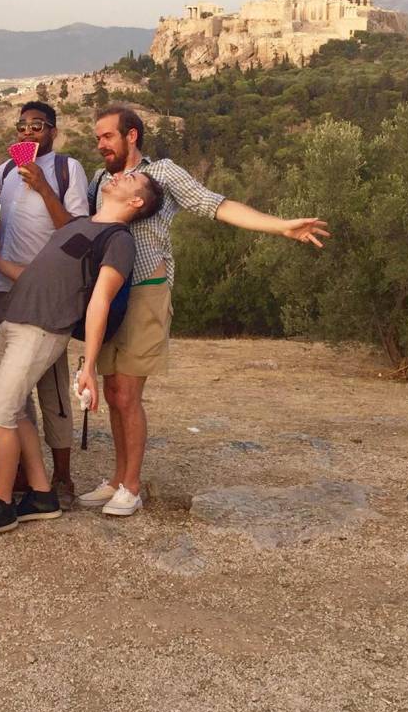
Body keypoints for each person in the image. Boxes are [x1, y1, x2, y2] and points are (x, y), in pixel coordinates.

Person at [84, 104, 330, 517]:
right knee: (111, 392)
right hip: (107, 297)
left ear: (131, 135)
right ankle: (115, 479)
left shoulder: (163, 173)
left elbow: (217, 205)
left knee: (128, 393)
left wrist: (280, 225)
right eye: (96, 138)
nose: (100, 145)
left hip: (145, 291)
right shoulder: (98, 180)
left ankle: (131, 485)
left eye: (107, 136)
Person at [0, 170, 164, 539]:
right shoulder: (79, 225)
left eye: (132, 178)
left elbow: (100, 301)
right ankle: (42, 495)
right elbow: (39, 276)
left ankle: (2, 503)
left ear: (137, 202)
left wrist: (88, 364)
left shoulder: (118, 240)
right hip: (15, 323)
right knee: (15, 411)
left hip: (42, 331)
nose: (120, 176)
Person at [0, 101, 89, 504]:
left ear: (53, 132)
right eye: (22, 126)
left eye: (37, 126)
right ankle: (22, 470)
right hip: (7, 290)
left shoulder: (66, 169)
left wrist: (43, 186)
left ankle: (62, 475)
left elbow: (76, 231)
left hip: (50, 294)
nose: (27, 133)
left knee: (53, 386)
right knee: (12, 385)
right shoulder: (6, 170)